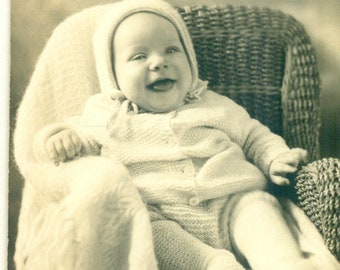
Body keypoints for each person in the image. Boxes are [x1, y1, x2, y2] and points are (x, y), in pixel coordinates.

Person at [33, 0, 339, 269]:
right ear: (113, 74)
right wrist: (57, 138)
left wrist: (275, 157)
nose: (159, 61)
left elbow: (253, 136)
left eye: (171, 50)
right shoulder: (107, 116)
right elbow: (75, 134)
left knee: (259, 211)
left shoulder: (214, 104)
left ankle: (282, 263)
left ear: (189, 60)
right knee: (147, 231)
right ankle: (213, 264)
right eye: (139, 56)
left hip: (232, 202)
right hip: (163, 214)